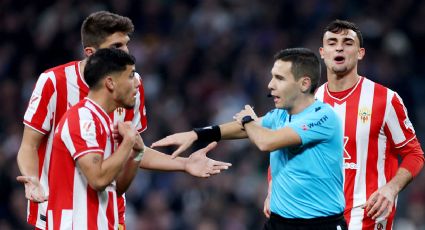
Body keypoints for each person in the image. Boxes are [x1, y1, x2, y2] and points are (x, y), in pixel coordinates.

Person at [16, 11, 231, 230]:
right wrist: (32, 179)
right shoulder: (55, 82)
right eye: (116, 46)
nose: (127, 52)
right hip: (58, 211)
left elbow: (132, 148)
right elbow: (29, 145)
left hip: (107, 210)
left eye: (127, 44)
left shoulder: (131, 85)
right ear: (91, 53)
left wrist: (184, 163)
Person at [152, 48, 348, 230]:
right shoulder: (280, 115)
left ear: (304, 84)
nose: (270, 85)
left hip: (320, 224)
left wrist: (247, 119)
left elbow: (266, 141)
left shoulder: (322, 117)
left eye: (279, 78)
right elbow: (243, 130)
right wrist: (196, 134)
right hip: (279, 222)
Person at [314, 19, 425, 229]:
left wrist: (391, 189)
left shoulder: (385, 99)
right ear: (322, 52)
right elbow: (286, 152)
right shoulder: (311, 103)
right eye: (332, 42)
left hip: (367, 214)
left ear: (360, 53)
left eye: (347, 42)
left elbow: (415, 154)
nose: (339, 47)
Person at [46, 48, 142, 229]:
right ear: (110, 83)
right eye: (130, 76)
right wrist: (128, 142)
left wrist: (137, 153)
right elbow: (98, 180)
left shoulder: (104, 121)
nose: (137, 83)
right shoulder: (82, 118)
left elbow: (116, 187)